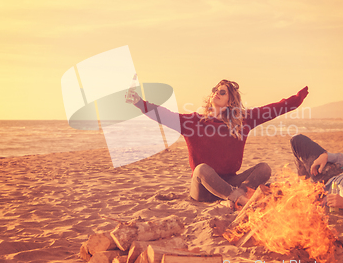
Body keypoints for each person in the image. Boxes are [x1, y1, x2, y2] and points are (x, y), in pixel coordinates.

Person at [127, 79, 309, 208]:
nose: (217, 93)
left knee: (264, 168)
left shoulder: (243, 121)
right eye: (215, 89)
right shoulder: (194, 122)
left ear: (231, 101)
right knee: (201, 169)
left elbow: (274, 109)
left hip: (231, 182)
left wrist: (298, 98)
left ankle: (235, 198)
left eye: (222, 92)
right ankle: (240, 200)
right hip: (203, 190)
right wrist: (138, 101)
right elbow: (164, 115)